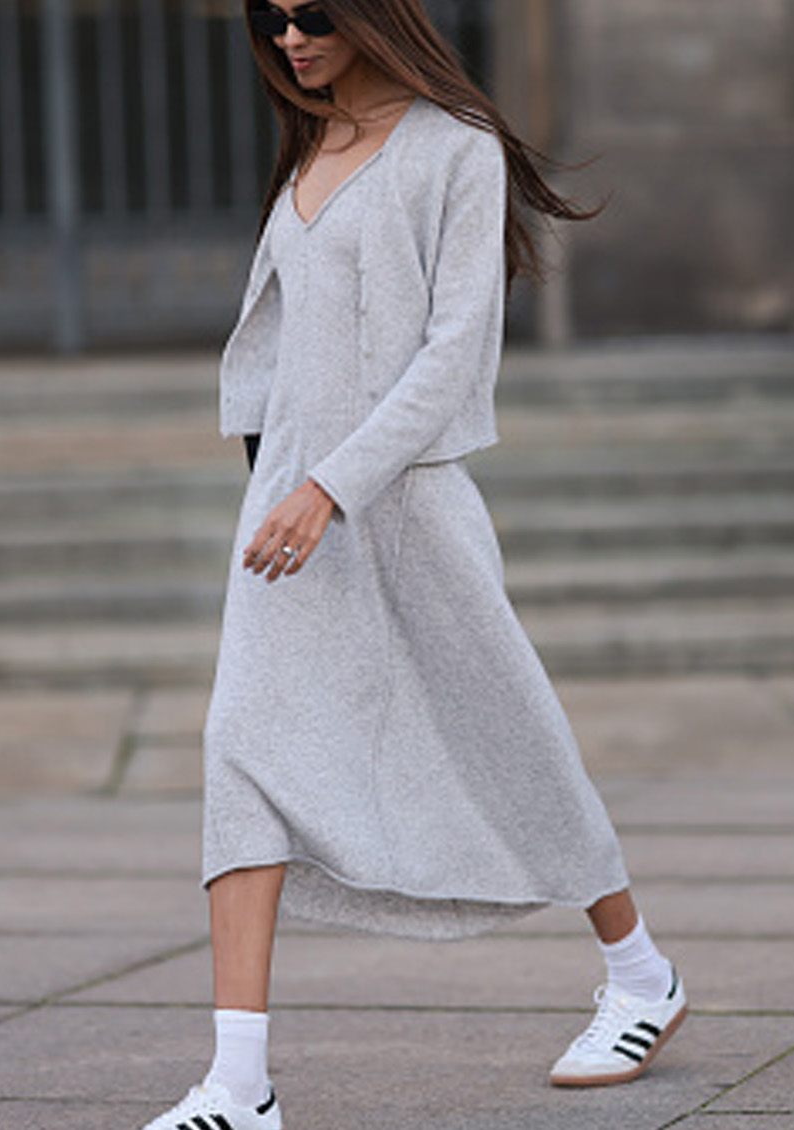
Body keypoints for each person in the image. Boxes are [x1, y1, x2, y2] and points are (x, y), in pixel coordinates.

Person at [141, 4, 685, 1128]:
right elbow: (282, 343)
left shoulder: (455, 150)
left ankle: (640, 972)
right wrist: (279, 478)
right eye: (270, 19)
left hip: (405, 504)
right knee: (240, 751)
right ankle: (238, 1085)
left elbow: (454, 355)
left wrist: (330, 484)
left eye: (312, 15)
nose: (290, 38)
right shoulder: (312, 145)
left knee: (506, 731)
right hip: (289, 519)